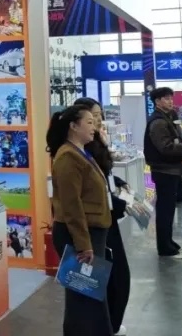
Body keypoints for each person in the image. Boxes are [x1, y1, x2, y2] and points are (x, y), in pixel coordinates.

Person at [48, 104, 113, 336]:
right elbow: (71, 205)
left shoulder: (82, 152)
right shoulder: (68, 157)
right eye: (89, 122)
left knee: (92, 294)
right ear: (73, 127)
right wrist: (83, 244)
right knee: (81, 297)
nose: (94, 127)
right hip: (78, 234)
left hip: (91, 232)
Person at [75, 98, 130, 336]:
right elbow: (77, 196)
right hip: (94, 223)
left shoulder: (96, 142)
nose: (97, 120)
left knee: (113, 278)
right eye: (92, 116)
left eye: (98, 115)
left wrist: (116, 184)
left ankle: (109, 325)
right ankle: (106, 326)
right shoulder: (75, 151)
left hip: (105, 219)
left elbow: (101, 177)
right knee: (101, 279)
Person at [144, 87, 182, 259]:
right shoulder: (158, 122)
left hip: (171, 168)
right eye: (166, 98)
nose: (170, 101)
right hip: (164, 169)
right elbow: (165, 147)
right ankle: (164, 247)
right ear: (157, 101)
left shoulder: (169, 117)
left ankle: (168, 242)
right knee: (165, 209)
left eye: (171, 98)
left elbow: (177, 137)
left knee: (169, 209)